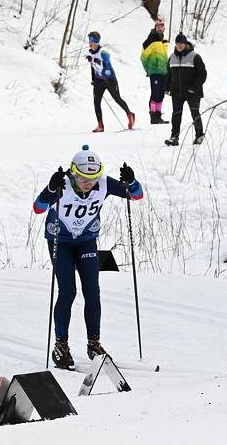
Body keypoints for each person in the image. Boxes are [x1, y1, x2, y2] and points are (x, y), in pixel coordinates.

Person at [33, 145, 143, 369]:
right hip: (60, 241)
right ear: (73, 172)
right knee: (68, 291)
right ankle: (61, 345)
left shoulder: (103, 183)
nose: (88, 183)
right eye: (83, 177)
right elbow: (38, 207)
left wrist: (131, 182)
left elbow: (137, 195)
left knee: (92, 291)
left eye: (93, 177)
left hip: (86, 240)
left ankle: (94, 344)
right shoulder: (61, 182)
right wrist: (49, 189)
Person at [86, 31, 135, 133]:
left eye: (92, 41)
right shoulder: (90, 52)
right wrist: (93, 80)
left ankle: (130, 114)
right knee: (96, 102)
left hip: (109, 79)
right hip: (99, 80)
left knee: (117, 99)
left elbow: (107, 65)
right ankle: (100, 125)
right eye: (89, 41)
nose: (90, 43)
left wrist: (94, 61)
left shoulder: (103, 52)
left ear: (97, 42)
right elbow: (93, 68)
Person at [165, 32, 207, 146]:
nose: (179, 45)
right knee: (176, 114)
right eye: (177, 43)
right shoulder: (172, 57)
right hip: (176, 92)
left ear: (185, 44)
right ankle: (174, 137)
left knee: (195, 113)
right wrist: (166, 87)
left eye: (181, 43)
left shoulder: (194, 57)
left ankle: (199, 135)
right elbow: (168, 74)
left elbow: (203, 74)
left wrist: (194, 88)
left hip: (192, 92)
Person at [140, 17, 170, 125]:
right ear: (155, 27)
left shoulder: (163, 41)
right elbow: (143, 57)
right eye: (158, 26)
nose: (160, 28)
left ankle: (158, 115)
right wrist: (148, 69)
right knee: (155, 93)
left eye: (162, 26)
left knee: (161, 94)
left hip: (163, 71)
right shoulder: (151, 39)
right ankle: (153, 116)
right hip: (155, 71)